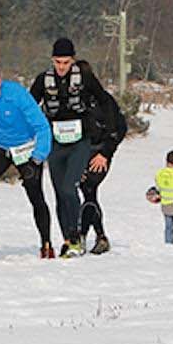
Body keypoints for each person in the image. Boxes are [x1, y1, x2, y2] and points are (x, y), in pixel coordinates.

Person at [29, 40, 123, 258]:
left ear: (73, 60)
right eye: (58, 62)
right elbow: (30, 106)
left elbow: (106, 104)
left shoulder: (85, 78)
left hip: (80, 142)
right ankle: (69, 240)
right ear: (52, 60)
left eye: (66, 62)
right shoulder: (43, 80)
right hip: (56, 143)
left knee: (70, 187)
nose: (62, 67)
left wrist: (107, 146)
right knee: (59, 192)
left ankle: (76, 234)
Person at [0, 60, 55, 263]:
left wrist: (38, 158)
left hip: (26, 146)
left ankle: (46, 245)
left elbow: (42, 127)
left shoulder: (17, 96)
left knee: (35, 194)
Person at [74, 59, 125, 255]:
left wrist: (105, 153)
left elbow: (119, 128)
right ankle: (90, 234)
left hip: (100, 153)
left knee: (89, 189)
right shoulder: (74, 99)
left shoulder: (104, 100)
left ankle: (94, 235)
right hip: (81, 152)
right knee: (87, 191)